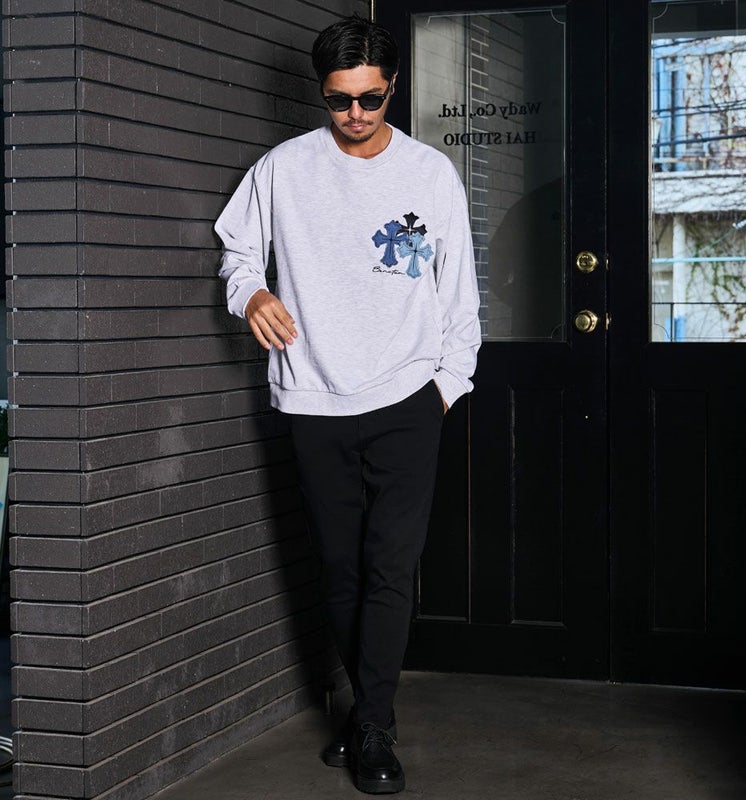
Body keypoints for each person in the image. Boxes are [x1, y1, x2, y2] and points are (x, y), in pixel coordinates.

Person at [215, 15, 480, 795]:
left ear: (392, 87)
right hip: (312, 396)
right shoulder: (282, 170)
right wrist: (251, 293)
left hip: (408, 397)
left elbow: (459, 293)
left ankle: (373, 728)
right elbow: (236, 252)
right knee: (339, 568)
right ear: (322, 93)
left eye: (370, 98)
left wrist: (446, 386)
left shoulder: (431, 174)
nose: (356, 115)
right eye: (339, 100)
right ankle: (365, 711)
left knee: (390, 566)